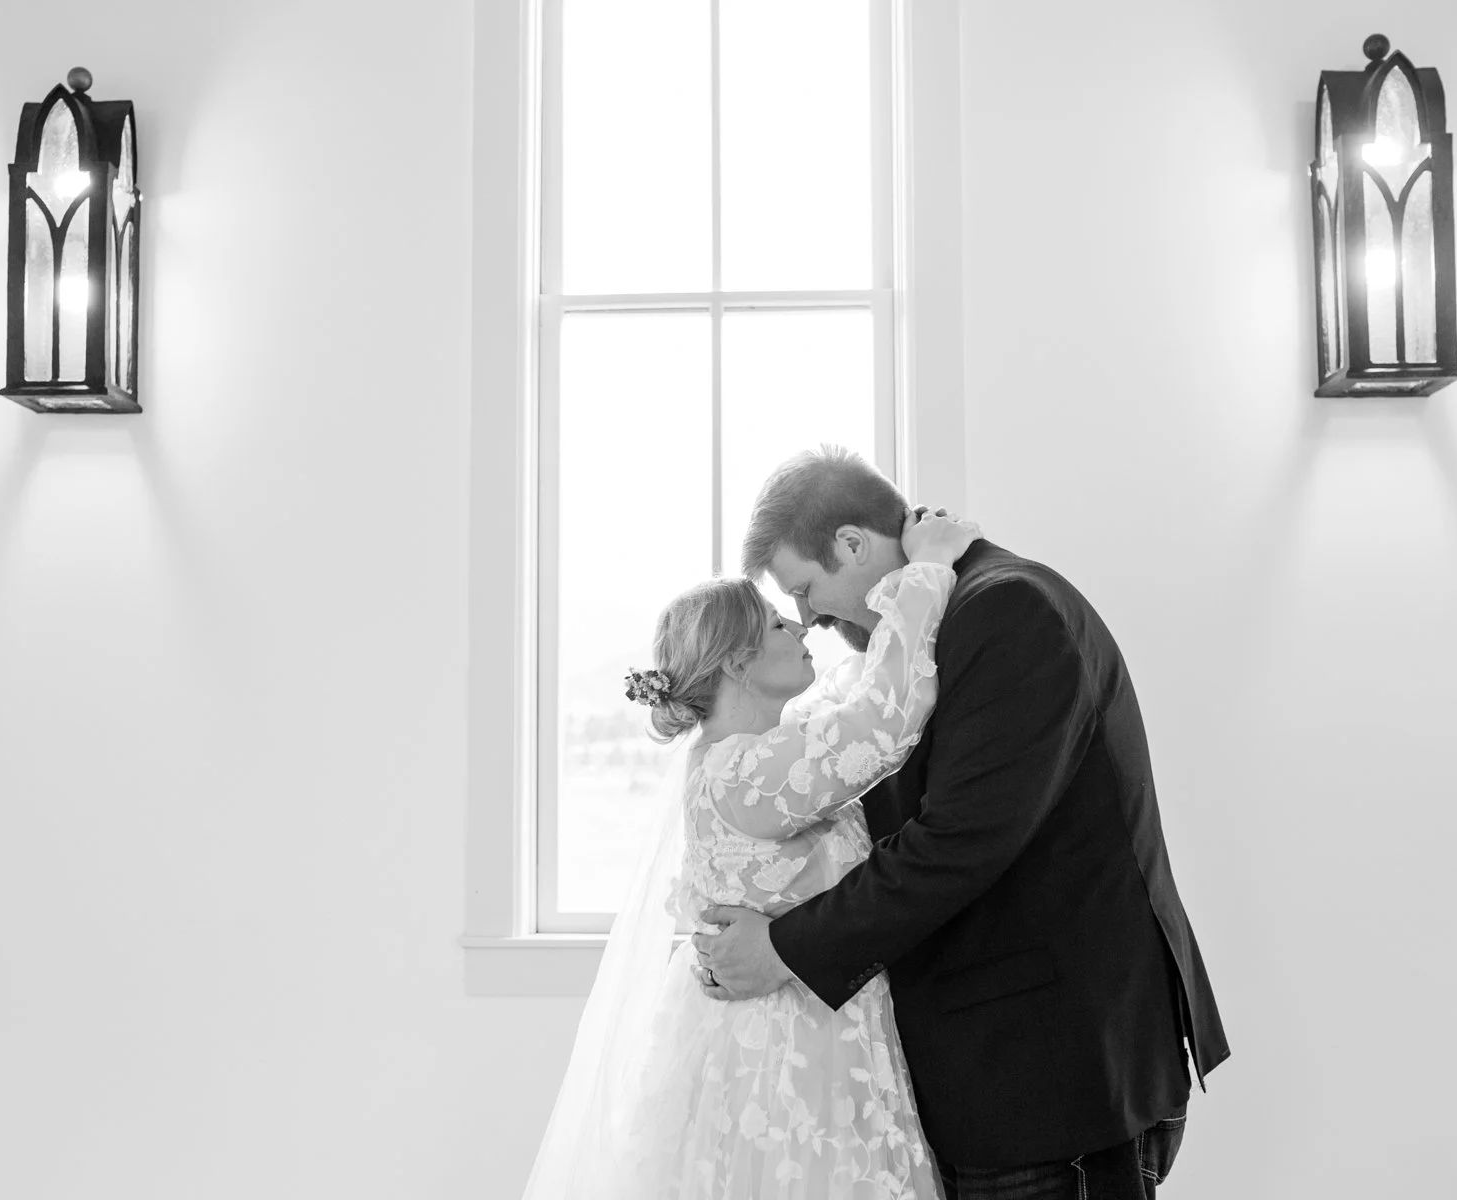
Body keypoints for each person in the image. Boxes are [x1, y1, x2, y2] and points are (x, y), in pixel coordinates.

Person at [695, 446, 1229, 1199]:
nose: (807, 618)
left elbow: (959, 841)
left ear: (852, 543)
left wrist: (784, 949)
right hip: (994, 1070)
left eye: (806, 590)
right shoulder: (926, 629)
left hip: (1050, 1073)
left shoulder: (1007, 609)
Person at [521, 510, 982, 1200]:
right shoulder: (744, 774)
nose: (800, 626)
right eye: (775, 623)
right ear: (738, 662)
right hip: (786, 1061)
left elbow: (853, 695)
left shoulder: (758, 753)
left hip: (816, 1039)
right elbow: (879, 723)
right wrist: (929, 569)